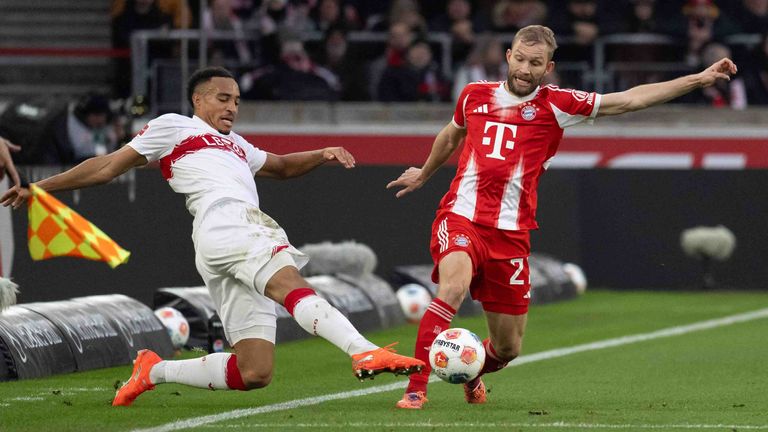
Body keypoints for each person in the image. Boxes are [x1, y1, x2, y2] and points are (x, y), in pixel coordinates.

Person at [1, 66, 424, 406]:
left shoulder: (237, 144)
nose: (232, 107)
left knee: (254, 372)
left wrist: (322, 152)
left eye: (236, 100)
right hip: (229, 221)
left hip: (220, 239)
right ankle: (361, 350)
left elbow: (279, 166)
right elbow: (108, 166)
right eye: (223, 98)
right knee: (288, 281)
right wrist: (41, 188)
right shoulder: (173, 126)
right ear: (198, 100)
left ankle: (153, 370)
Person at [386, 24, 737, 409]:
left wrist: (698, 79)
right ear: (508, 56)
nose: (525, 69)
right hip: (462, 217)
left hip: (511, 234)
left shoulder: (558, 104)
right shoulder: (474, 94)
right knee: (453, 289)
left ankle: (471, 370)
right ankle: (416, 388)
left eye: (535, 63)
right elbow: (452, 134)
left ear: (548, 67)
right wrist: (424, 172)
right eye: (520, 59)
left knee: (507, 348)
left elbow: (630, 100)